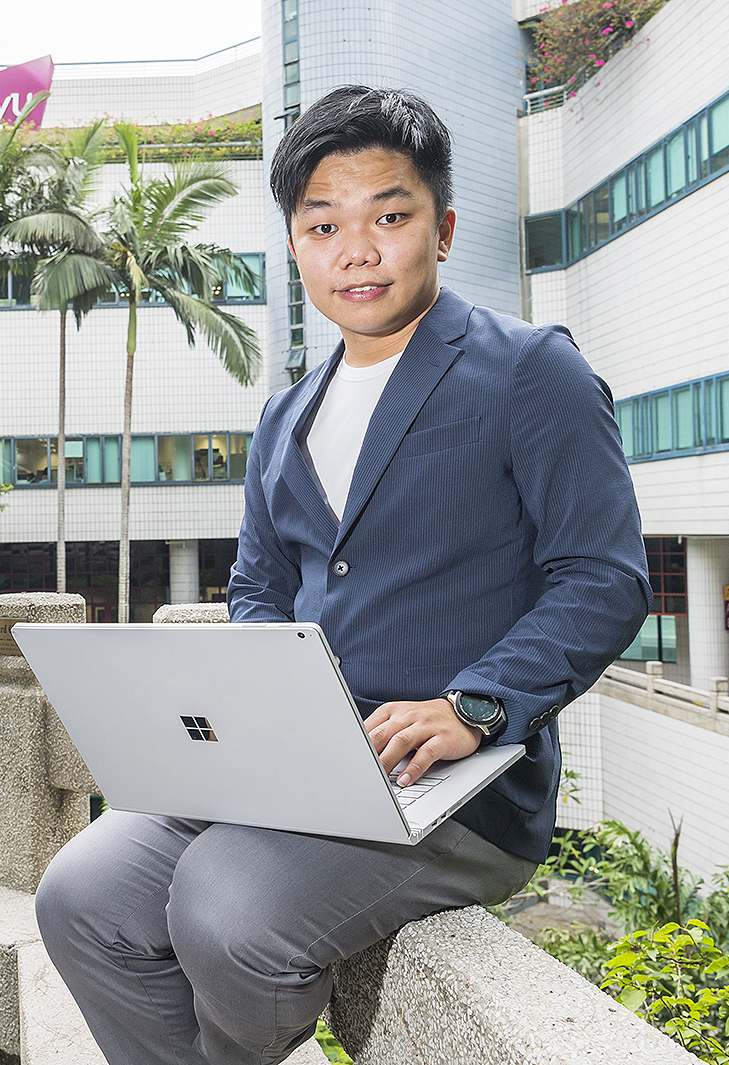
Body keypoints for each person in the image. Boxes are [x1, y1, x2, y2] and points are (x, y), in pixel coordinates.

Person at [34, 85, 652, 1065]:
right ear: (295, 244)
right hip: (292, 757)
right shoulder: (285, 416)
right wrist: (245, 708)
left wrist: (476, 705)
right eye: (322, 225)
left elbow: (603, 579)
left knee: (224, 907)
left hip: (449, 780)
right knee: (79, 895)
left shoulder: (532, 370)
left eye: (389, 217)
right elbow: (257, 589)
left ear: (442, 230)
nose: (354, 250)